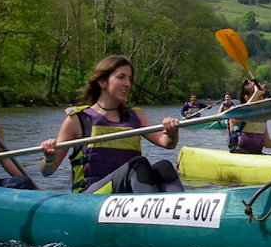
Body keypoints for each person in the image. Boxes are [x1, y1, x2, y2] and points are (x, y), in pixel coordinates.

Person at [39, 55, 184, 194]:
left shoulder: (135, 116)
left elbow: (167, 144)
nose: (127, 84)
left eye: (130, 79)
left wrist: (171, 134)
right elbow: (47, 171)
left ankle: (180, 212)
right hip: (91, 196)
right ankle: (150, 214)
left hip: (125, 193)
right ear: (102, 82)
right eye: (121, 77)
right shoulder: (78, 119)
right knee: (138, 164)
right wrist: (49, 158)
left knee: (164, 166)